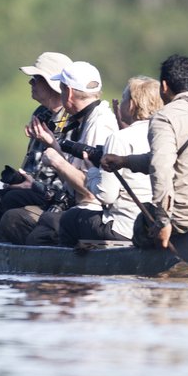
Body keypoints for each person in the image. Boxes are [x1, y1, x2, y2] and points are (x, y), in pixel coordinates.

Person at [103, 54, 188, 268]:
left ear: (164, 86)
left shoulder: (165, 116)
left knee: (141, 226)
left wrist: (163, 221)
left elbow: (161, 167)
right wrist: (124, 161)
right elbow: (167, 158)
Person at [27, 75, 162, 250]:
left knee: (69, 219)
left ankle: (71, 270)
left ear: (132, 105)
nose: (119, 105)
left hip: (124, 229)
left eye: (123, 99)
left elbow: (107, 195)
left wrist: (92, 172)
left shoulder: (120, 138)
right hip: (156, 226)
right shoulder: (163, 135)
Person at [0, 60, 119, 243]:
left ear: (68, 92)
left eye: (61, 90)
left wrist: (57, 161)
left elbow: (93, 192)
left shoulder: (99, 125)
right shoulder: (88, 118)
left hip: (92, 213)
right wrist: (53, 144)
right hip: (78, 207)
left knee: (29, 226)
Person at [0, 50, 71, 236]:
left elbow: (69, 175)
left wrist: (33, 185)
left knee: (12, 202)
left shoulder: (73, 120)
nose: (30, 83)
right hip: (32, 187)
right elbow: (32, 161)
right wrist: (20, 180)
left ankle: (12, 237)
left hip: (55, 195)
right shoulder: (41, 113)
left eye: (36, 79)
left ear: (52, 84)